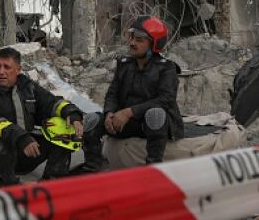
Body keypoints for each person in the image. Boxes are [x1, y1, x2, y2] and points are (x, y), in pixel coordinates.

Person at [76, 16, 183, 172]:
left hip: (151, 124)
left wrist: (128, 112)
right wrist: (109, 113)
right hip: (126, 123)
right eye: (132, 37)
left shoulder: (167, 68)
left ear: (153, 44)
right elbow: (113, 93)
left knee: (155, 114)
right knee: (92, 120)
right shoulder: (124, 64)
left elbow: (165, 100)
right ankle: (93, 167)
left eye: (139, 40)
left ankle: (153, 168)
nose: (132, 43)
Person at [0, 46, 84, 184]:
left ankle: (51, 183)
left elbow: (51, 103)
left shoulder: (28, 87)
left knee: (63, 133)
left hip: (25, 153)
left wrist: (71, 113)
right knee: (3, 145)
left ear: (18, 70)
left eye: (7, 67)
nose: (1, 71)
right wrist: (21, 137)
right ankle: (13, 188)